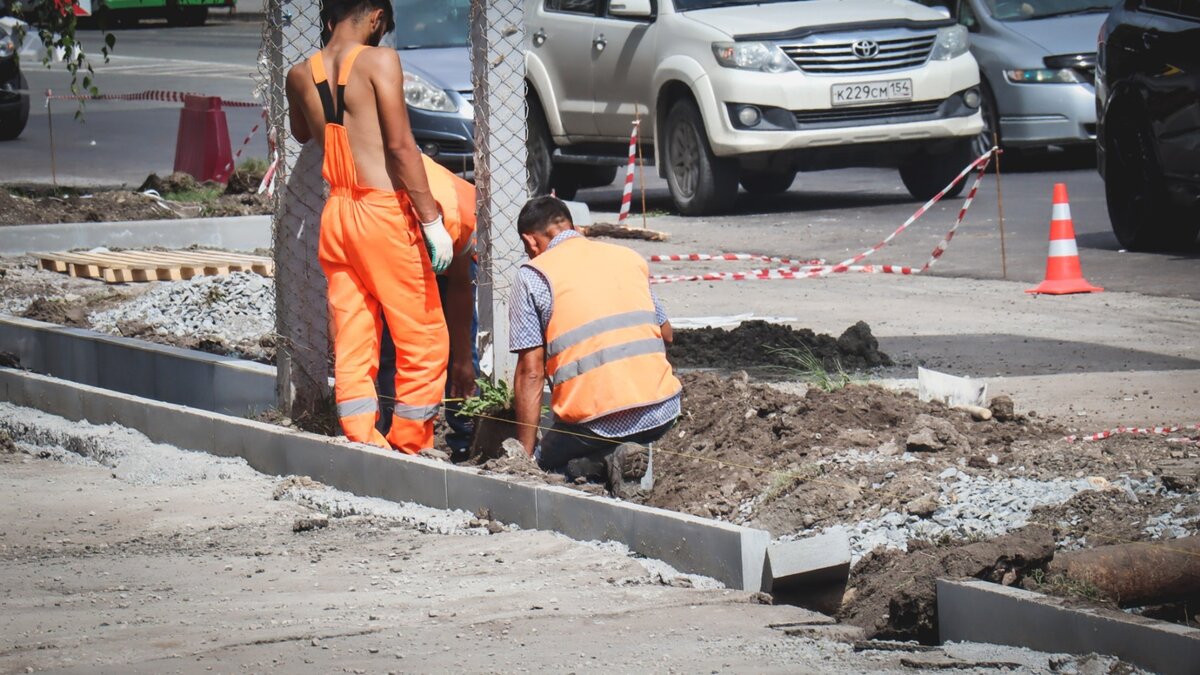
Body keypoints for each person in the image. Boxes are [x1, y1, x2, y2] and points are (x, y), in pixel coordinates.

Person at [285, 0, 456, 453]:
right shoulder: (381, 60)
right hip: (382, 213)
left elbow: (303, 132)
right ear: (376, 16)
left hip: (337, 212)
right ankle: (409, 444)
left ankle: (362, 439)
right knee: (423, 337)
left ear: (327, 18)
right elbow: (401, 148)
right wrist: (432, 221)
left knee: (354, 332)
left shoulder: (299, 74)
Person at [509, 197, 682, 497]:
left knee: (548, 464)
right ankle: (624, 459)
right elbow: (666, 335)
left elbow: (531, 373)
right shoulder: (626, 257)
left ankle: (605, 462)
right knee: (606, 434)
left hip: (595, 422)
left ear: (530, 241)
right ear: (571, 226)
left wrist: (524, 460)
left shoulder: (533, 276)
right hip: (663, 412)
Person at [377, 157, 479, 462]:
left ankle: (464, 438)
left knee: (459, 355)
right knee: (392, 350)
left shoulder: (458, 216)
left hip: (444, 250)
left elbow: (460, 288)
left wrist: (461, 358)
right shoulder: (382, 206)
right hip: (390, 252)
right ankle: (392, 432)